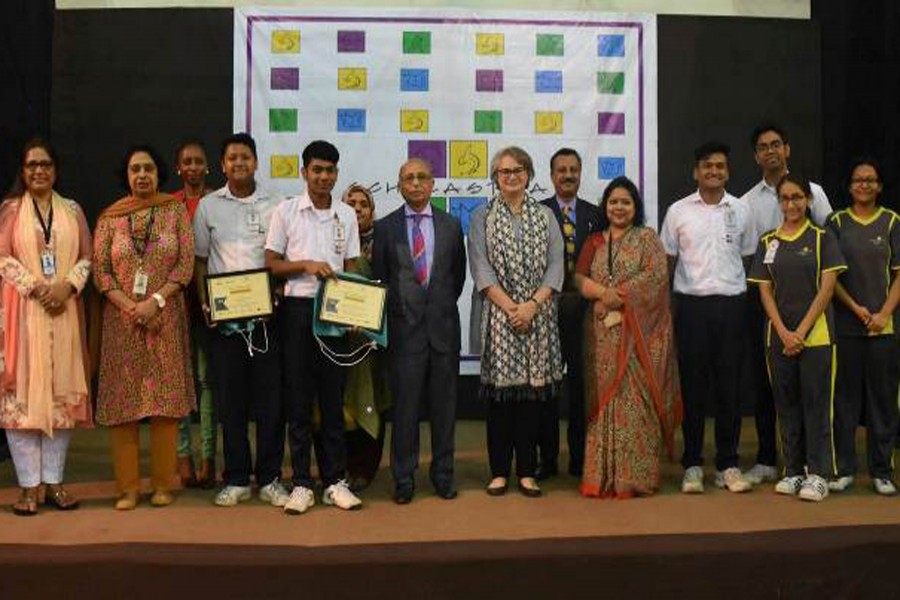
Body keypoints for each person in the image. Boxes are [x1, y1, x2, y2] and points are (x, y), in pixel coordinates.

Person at [93, 144, 195, 510]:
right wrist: (130, 305)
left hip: (165, 319)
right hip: (123, 323)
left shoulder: (174, 211)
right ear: (126, 175)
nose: (142, 175)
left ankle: (164, 485)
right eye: (135, 169)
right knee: (125, 405)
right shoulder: (110, 218)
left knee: (165, 405)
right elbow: (101, 271)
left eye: (148, 168)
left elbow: (184, 265)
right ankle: (129, 488)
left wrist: (155, 302)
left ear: (159, 173)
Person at [265, 140, 362, 514]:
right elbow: (271, 264)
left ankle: (335, 481)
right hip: (296, 311)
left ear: (337, 174)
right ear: (304, 172)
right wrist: (305, 264)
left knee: (333, 399)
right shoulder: (287, 211)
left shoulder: (346, 215)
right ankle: (302, 482)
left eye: (330, 170)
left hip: (334, 313)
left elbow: (352, 267)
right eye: (317, 170)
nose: (324, 177)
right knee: (299, 400)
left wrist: (356, 310)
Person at [193, 133, 288, 508]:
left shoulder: (276, 205)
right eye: (232, 158)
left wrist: (277, 290)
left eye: (245, 157)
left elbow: (281, 257)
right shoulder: (207, 206)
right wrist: (205, 303)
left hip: (266, 320)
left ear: (256, 162)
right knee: (230, 403)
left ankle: (269, 477)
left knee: (270, 403)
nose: (239, 163)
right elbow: (201, 261)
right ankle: (235, 477)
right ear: (223, 164)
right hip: (225, 323)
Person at [0, 138, 92, 516]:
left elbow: (86, 257)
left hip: (65, 312)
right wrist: (38, 287)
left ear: (56, 170)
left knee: (61, 400)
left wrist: (67, 285)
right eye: (32, 165)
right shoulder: (10, 210)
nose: (39, 170)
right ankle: (27, 488)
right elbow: (2, 258)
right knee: (22, 402)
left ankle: (54, 483)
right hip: (23, 315)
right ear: (23, 171)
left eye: (46, 164)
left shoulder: (72, 210)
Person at [574, 176, 681, 498]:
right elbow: (578, 277)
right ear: (605, 206)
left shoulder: (647, 239)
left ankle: (635, 478)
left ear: (635, 207)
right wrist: (603, 294)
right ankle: (602, 476)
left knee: (637, 403)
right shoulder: (594, 242)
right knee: (603, 403)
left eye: (625, 202)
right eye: (613, 202)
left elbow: (655, 279)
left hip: (639, 339)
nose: (618, 207)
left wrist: (616, 299)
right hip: (602, 338)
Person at [468, 146, 564, 498]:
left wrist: (531, 307)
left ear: (529, 174)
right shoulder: (481, 217)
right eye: (504, 171)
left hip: (538, 318)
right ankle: (498, 472)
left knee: (531, 400)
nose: (511, 176)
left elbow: (557, 266)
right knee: (500, 400)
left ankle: (526, 471)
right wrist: (512, 309)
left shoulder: (546, 216)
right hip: (499, 317)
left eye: (518, 170)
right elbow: (481, 268)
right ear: (495, 177)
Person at [661, 141, 757, 494]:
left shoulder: (742, 209)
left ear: (727, 171)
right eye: (707, 166)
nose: (713, 171)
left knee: (729, 389)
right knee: (694, 389)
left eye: (719, 166)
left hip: (732, 306)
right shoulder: (678, 212)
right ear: (695, 172)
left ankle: (729, 464)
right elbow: (668, 264)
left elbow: (748, 258)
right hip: (692, 308)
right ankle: (692, 465)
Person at [740, 123, 834, 485]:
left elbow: (829, 241)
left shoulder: (815, 192)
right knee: (770, 385)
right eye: (763, 147)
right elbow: (752, 255)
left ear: (787, 150)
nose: (770, 151)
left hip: (812, 304)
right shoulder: (747, 201)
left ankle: (817, 467)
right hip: (768, 301)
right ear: (756, 155)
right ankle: (770, 458)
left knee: (813, 391)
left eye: (776, 144)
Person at [372, 158, 466, 504]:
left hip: (442, 330)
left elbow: (456, 278)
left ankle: (443, 475)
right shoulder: (385, 228)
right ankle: (404, 478)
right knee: (405, 411)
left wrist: (435, 307)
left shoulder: (452, 225)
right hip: (403, 333)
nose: (415, 183)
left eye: (421, 177)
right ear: (399, 185)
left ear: (432, 184)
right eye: (408, 178)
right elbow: (380, 279)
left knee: (445, 409)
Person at [747, 173, 845, 502]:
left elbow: (828, 288)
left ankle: (818, 474)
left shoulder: (822, 238)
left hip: (815, 337)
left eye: (797, 198)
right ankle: (793, 471)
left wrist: (801, 331)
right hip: (779, 339)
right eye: (785, 198)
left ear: (808, 200)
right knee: (786, 406)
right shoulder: (767, 241)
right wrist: (785, 333)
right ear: (779, 202)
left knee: (816, 406)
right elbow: (765, 291)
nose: (791, 204)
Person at [827, 158, 900, 495]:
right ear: (850, 185)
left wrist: (884, 313)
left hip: (882, 329)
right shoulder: (837, 222)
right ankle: (844, 469)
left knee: (883, 402)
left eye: (871, 180)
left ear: (880, 186)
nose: (864, 185)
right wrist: (856, 309)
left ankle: (882, 471)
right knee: (845, 401)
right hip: (846, 327)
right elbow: (831, 277)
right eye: (858, 180)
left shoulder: (892, 221)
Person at [317, 184, 391, 492]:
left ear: (372, 212)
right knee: (330, 400)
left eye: (364, 204)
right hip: (332, 336)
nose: (358, 208)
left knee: (369, 397)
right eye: (352, 203)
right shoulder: (327, 240)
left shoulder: (386, 245)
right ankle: (335, 467)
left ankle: (363, 468)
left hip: (369, 340)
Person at [536, 148, 601, 480]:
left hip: (584, 314)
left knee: (581, 389)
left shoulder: (595, 214)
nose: (568, 175)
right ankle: (547, 460)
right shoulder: (538, 212)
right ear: (551, 175)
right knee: (545, 388)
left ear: (580, 173)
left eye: (573, 169)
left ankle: (579, 459)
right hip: (545, 312)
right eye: (561, 170)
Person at [172, 139, 217, 489]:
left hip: (211, 304)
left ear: (207, 167)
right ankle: (182, 454)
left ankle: (208, 457)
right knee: (178, 383)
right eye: (186, 161)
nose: (192, 167)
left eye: (198, 161)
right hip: (173, 305)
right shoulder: (167, 206)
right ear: (178, 168)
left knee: (206, 382)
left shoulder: (218, 202)